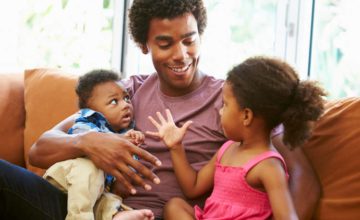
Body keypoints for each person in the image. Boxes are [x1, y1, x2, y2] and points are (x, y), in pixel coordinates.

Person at [0, 1, 320, 220]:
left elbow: (303, 178)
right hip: (95, 211)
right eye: (165, 44)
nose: (181, 54)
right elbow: (39, 150)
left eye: (189, 41)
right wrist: (88, 143)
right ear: (144, 44)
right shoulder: (128, 91)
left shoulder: (235, 101)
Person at [147, 56, 326, 220]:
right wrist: (176, 147)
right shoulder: (228, 149)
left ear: (246, 116)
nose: (220, 110)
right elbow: (192, 187)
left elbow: (287, 217)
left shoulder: (269, 166)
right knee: (174, 206)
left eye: (225, 104)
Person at [42, 69, 154, 220]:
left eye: (126, 98)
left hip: (91, 191)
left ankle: (116, 216)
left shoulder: (126, 133)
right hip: (66, 179)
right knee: (88, 169)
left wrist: (132, 154)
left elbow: (118, 187)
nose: (125, 105)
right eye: (114, 101)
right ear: (92, 111)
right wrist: (119, 139)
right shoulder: (85, 124)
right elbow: (95, 141)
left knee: (108, 199)